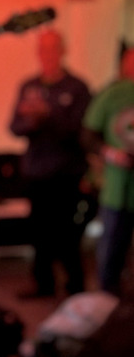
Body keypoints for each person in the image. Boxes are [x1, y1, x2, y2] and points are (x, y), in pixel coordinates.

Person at [9, 29, 92, 299]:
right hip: (36, 174)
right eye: (43, 49)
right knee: (40, 234)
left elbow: (81, 132)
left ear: (63, 50)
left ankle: (75, 285)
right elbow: (14, 127)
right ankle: (43, 284)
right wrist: (30, 120)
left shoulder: (77, 88)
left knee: (67, 234)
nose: (47, 55)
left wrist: (48, 116)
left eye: (52, 48)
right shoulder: (29, 86)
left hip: (66, 175)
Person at [82, 47, 134, 296]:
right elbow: (88, 134)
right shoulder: (111, 95)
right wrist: (111, 154)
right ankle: (107, 302)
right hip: (116, 189)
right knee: (112, 247)